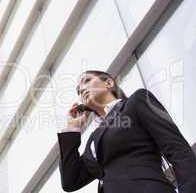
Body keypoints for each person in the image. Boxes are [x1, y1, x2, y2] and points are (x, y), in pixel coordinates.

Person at [57, 70, 196, 193]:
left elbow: (178, 150)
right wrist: (71, 129)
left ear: (109, 83)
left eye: (87, 81)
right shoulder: (93, 140)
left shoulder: (136, 102)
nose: (81, 89)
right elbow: (70, 181)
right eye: (78, 90)